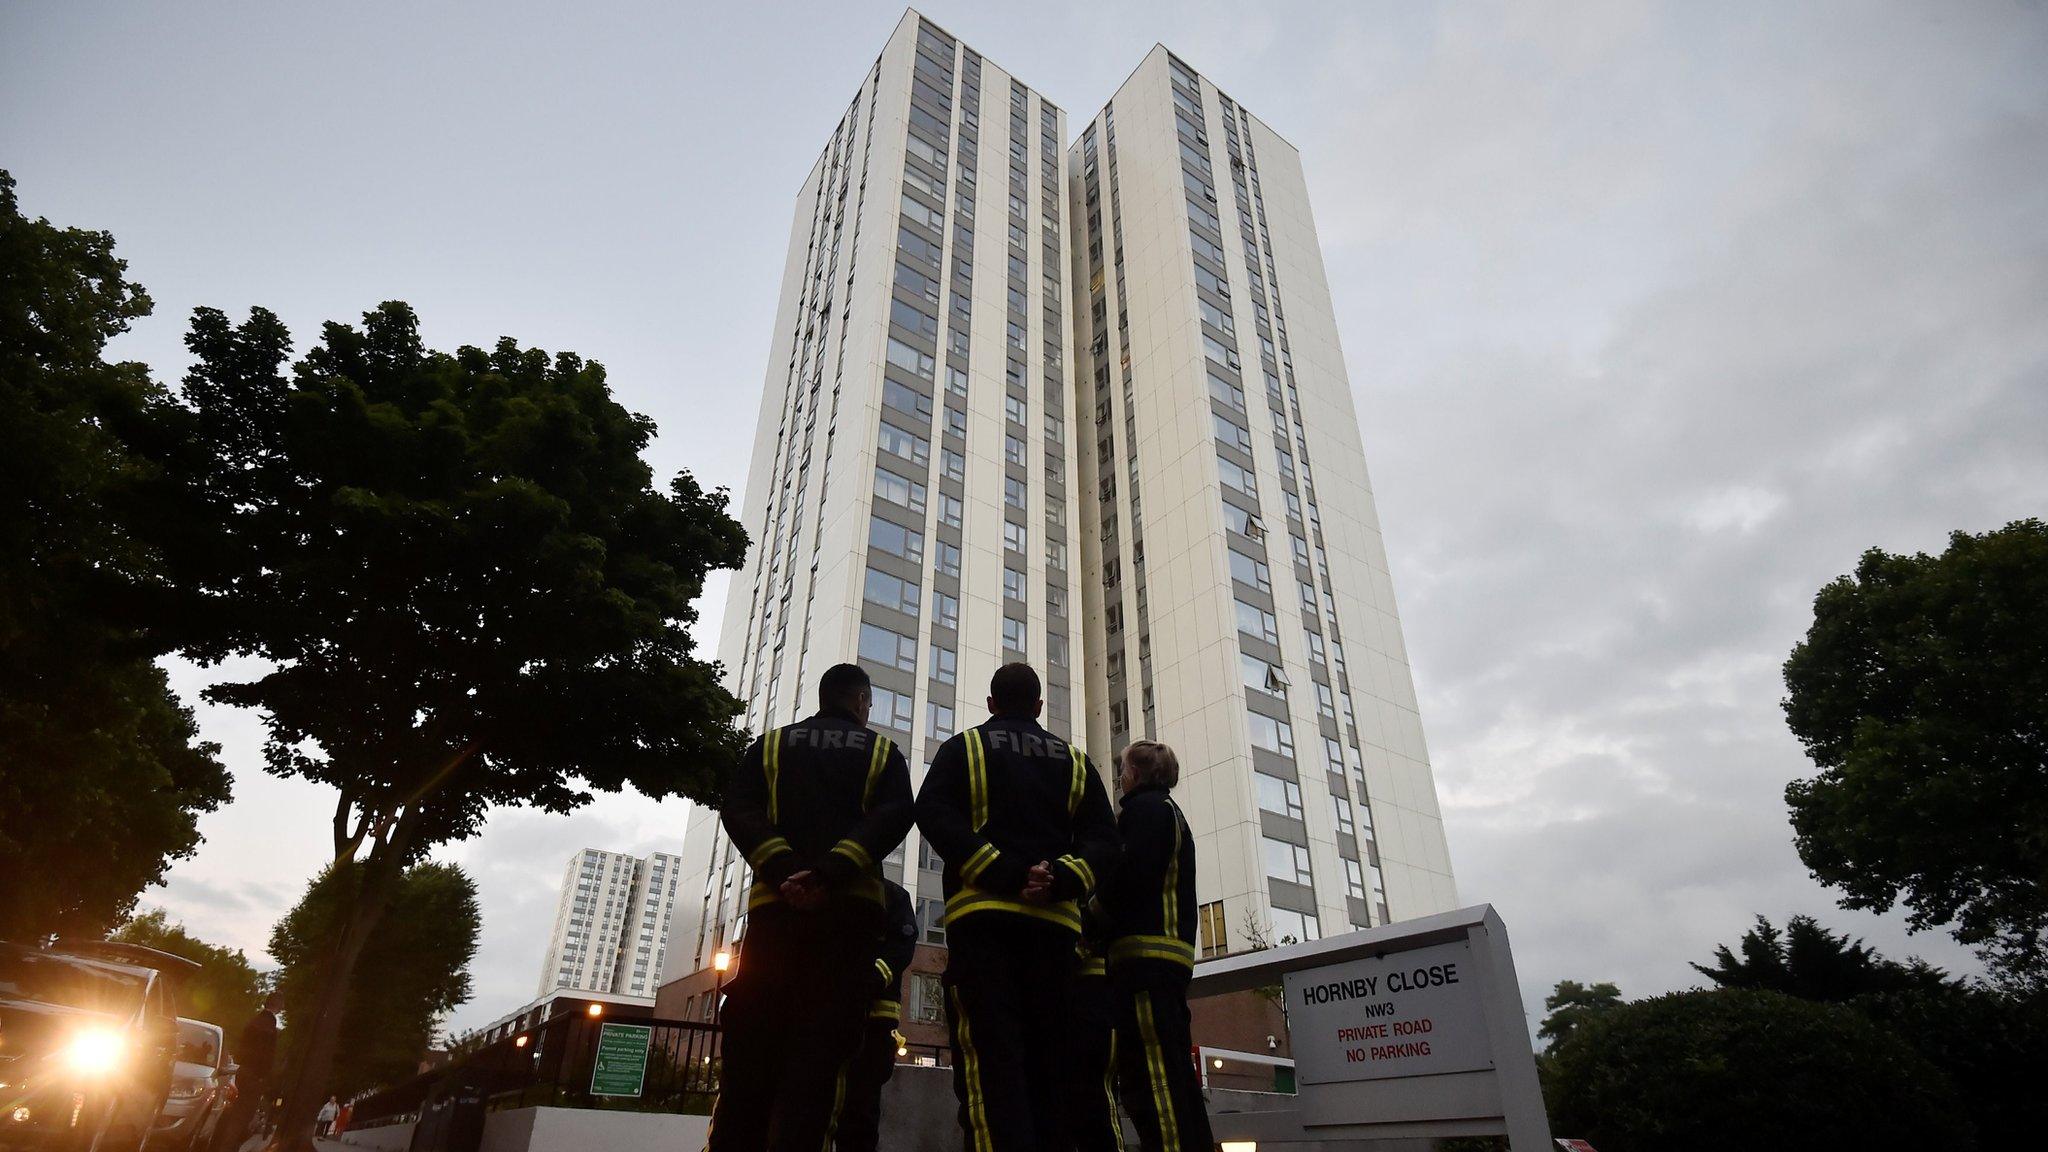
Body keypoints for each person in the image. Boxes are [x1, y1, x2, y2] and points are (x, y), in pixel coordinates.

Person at [707, 663, 915, 1152]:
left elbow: (737, 808)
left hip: (775, 920)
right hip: (847, 926)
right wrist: (830, 873)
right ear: (862, 702)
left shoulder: (771, 746)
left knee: (753, 1054)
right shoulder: (881, 752)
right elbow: (897, 814)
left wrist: (784, 870)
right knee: (823, 1061)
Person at [916, 663, 1120, 1152]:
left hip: (982, 926)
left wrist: (1002, 872)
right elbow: (1104, 841)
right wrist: (1061, 879)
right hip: (1055, 936)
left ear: (990, 704)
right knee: (1051, 1070)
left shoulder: (963, 748)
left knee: (992, 1069)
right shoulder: (1074, 760)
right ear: (1039, 707)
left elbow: (931, 812)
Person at [1101, 741, 1213, 1152]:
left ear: (1140, 774)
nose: (1120, 776)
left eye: (1125, 768)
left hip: (1146, 962)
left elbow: (1129, 878)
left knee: (1156, 1084)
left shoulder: (1146, 813)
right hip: (1158, 963)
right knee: (1166, 1078)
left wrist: (1090, 916)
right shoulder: (1165, 813)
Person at [835, 879, 920, 1152]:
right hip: (834, 1016)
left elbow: (902, 947)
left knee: (861, 1109)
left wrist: (868, 980)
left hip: (874, 1024)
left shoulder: (893, 896)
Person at [1063, 906, 1121, 1152]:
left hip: (1094, 998)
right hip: (1072, 999)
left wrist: (1069, 956)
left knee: (1095, 1100)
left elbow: (1103, 912)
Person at [212, 991, 282, 1152]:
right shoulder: (269, 1027)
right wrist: (264, 1076)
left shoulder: (254, 1022)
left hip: (243, 1071)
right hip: (254, 1075)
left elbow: (242, 1047)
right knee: (243, 1116)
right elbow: (267, 1055)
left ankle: (223, 1145)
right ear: (278, 1006)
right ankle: (228, 1147)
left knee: (237, 1112)